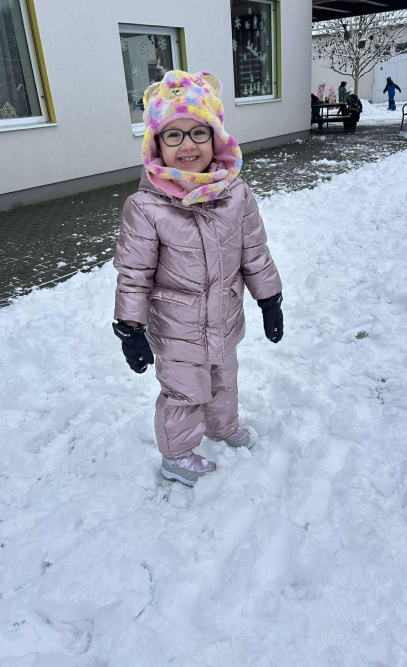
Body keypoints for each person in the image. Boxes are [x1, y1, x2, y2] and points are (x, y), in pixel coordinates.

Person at [112, 70, 283, 486]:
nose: (188, 145)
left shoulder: (236, 194)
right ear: (156, 144)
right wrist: (131, 326)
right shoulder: (146, 207)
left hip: (224, 317)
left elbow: (254, 251)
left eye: (198, 133)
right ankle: (177, 455)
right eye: (174, 135)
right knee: (184, 392)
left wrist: (269, 299)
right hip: (177, 327)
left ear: (216, 138)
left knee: (224, 379)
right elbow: (134, 274)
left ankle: (222, 427)